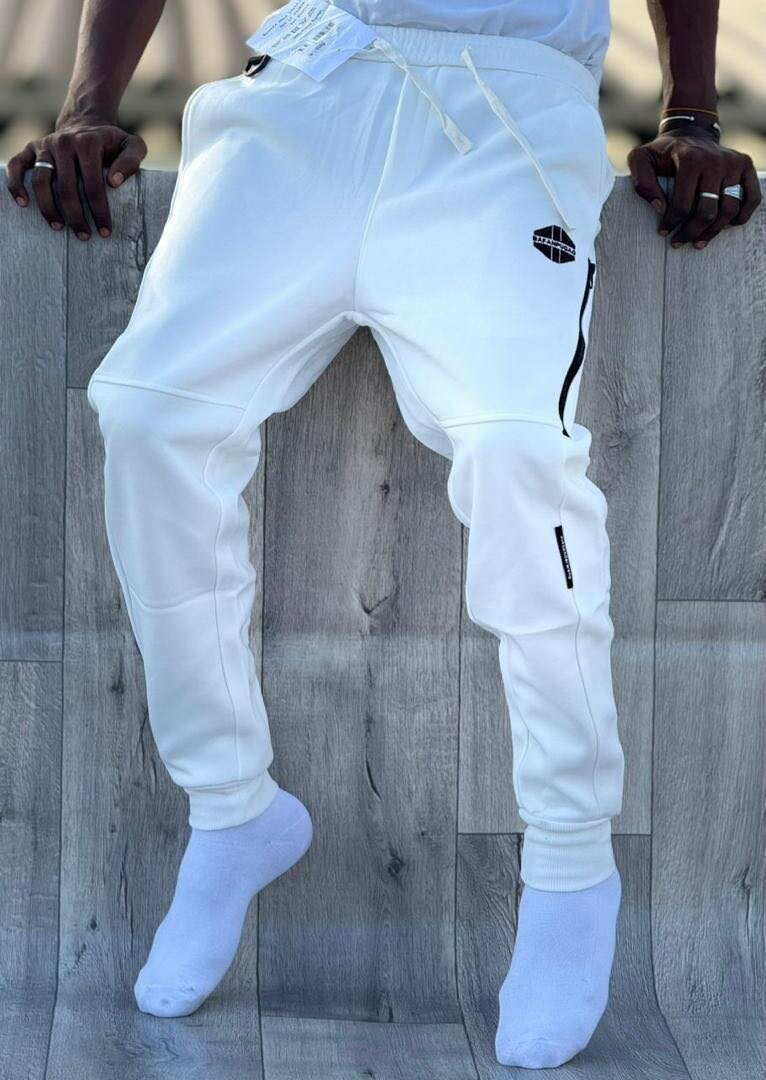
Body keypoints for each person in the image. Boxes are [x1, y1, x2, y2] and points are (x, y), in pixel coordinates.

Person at [7, 0, 760, 1067]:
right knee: (150, 413)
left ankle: (570, 861)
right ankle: (231, 806)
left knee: (520, 449)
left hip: (507, 106)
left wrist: (690, 115)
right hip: (309, 85)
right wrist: (89, 104)